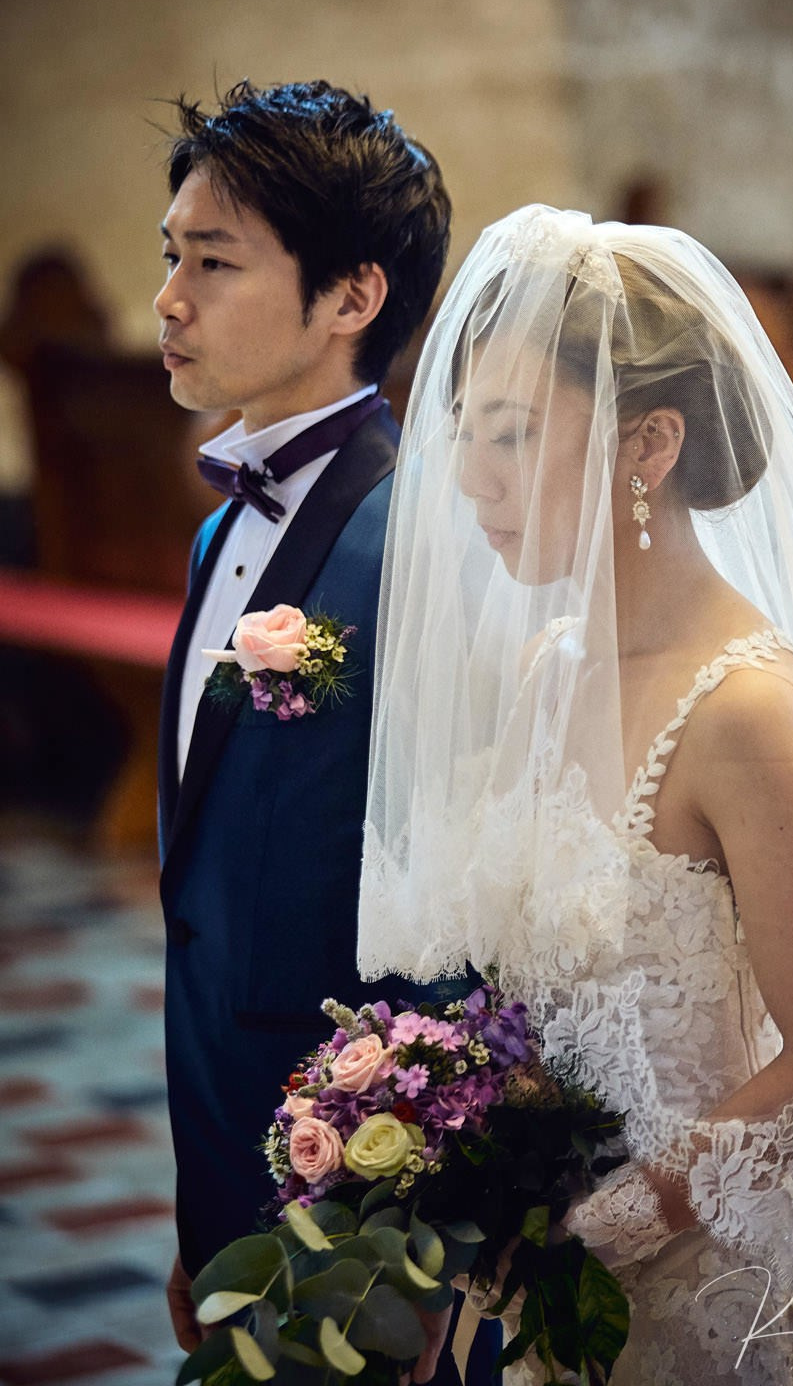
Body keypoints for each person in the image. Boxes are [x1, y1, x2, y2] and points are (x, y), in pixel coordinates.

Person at [358, 205, 793, 1383]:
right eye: (463, 432)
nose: (470, 479)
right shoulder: (547, 671)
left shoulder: (742, 710)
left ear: (648, 445)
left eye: (514, 436)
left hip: (706, 1297)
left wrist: (601, 1231)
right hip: (548, 1295)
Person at [155, 80, 495, 1384]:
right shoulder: (216, 526)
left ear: (352, 297)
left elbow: (465, 920)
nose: (169, 301)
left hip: (371, 1213)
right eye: (169, 255)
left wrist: (421, 1249)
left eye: (214, 262)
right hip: (232, 1159)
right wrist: (206, 1214)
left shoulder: (420, 540)